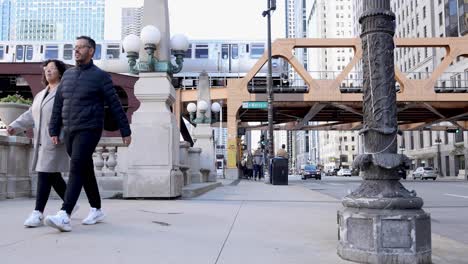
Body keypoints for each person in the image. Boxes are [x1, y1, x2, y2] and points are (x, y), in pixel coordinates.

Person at [45, 36, 132, 232]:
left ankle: (64, 214)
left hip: (89, 129)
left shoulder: (101, 77)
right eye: (74, 47)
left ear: (91, 51)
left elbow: (116, 105)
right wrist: (54, 128)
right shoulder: (67, 75)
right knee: (85, 169)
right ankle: (97, 209)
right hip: (69, 129)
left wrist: (125, 130)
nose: (76, 51)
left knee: (76, 166)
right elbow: (59, 104)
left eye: (80, 48)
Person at [7, 60, 76, 227]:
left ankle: (37, 212)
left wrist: (59, 133)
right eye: (46, 69)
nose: (48, 71)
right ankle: (70, 203)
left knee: (44, 173)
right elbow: (30, 115)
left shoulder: (65, 91)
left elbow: (68, 116)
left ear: (60, 72)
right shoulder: (40, 94)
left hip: (55, 140)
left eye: (52, 68)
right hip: (41, 142)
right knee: (53, 175)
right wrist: (14, 126)